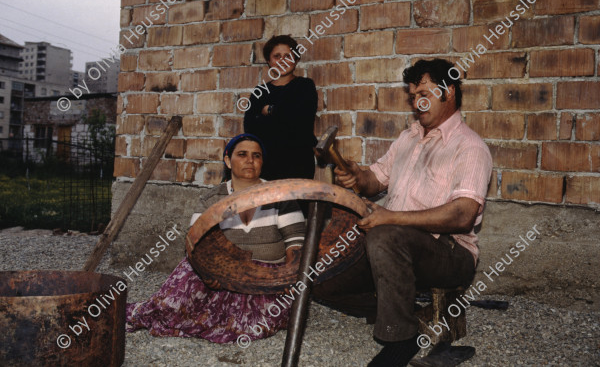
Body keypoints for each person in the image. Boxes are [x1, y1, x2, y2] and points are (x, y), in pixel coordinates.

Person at [335, 59, 493, 366]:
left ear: (447, 91)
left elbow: (462, 215)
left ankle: (401, 339)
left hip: (449, 253)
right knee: (327, 267)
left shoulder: (469, 147)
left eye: (422, 93)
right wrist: (356, 174)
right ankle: (379, 305)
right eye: (412, 96)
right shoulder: (409, 137)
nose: (416, 102)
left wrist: (389, 218)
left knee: (384, 234)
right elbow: (373, 182)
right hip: (394, 241)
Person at [126, 133, 306, 343]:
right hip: (223, 273)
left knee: (253, 323)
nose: (250, 160)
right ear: (228, 161)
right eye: (242, 154)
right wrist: (207, 272)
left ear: (262, 162)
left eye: (256, 156)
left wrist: (289, 276)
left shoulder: (280, 197)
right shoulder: (211, 199)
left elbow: (296, 244)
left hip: (266, 275)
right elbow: (196, 245)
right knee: (175, 303)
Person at [244, 35, 318, 181]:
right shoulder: (259, 92)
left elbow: (301, 122)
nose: (283, 60)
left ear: (296, 60)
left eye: (288, 56)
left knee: (294, 203)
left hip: (298, 163)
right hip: (266, 166)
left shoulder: (305, 86)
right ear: (269, 61)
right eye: (277, 56)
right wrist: (286, 114)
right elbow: (251, 127)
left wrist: (270, 110)